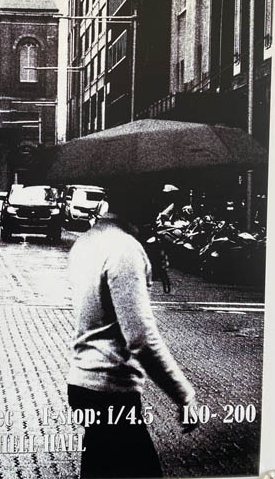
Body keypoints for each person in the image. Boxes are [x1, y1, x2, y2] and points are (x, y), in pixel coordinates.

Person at [68, 194, 199, 478]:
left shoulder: (86, 241)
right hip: (111, 388)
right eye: (154, 197)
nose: (159, 209)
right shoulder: (125, 249)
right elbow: (140, 338)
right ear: (137, 197)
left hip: (83, 383)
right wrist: (183, 394)